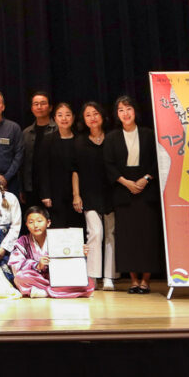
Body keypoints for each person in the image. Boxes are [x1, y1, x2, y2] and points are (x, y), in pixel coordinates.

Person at [104, 96, 163, 294]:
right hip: (123, 191)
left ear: (135, 111)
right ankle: (133, 280)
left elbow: (158, 159)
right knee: (127, 237)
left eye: (128, 108)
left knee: (148, 236)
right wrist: (125, 182)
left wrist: (146, 178)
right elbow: (108, 164)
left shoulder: (148, 134)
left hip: (147, 189)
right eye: (121, 110)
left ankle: (145, 280)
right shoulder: (112, 137)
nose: (125, 113)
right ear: (117, 114)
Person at [73, 101, 116, 290]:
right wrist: (76, 194)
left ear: (102, 116)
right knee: (95, 232)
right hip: (89, 193)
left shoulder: (112, 137)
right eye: (88, 115)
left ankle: (109, 277)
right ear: (83, 119)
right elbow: (75, 170)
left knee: (111, 234)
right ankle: (92, 276)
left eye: (95, 113)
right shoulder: (79, 141)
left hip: (112, 191)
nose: (92, 118)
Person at [9, 206, 94, 298]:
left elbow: (70, 263)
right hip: (36, 278)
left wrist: (80, 254)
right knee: (20, 277)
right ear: (26, 225)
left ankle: (44, 292)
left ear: (48, 223)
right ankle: (57, 292)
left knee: (88, 284)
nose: (35, 225)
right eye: (31, 222)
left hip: (59, 277)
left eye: (39, 221)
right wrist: (37, 265)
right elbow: (16, 265)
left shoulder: (59, 237)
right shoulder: (23, 241)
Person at [38, 102, 79, 229]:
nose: (64, 118)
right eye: (60, 115)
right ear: (55, 118)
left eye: (68, 115)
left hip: (77, 192)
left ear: (73, 117)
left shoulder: (79, 139)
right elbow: (43, 169)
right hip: (55, 192)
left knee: (76, 227)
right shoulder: (48, 139)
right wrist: (45, 194)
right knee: (58, 227)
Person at [20, 91, 56, 205]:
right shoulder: (26, 133)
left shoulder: (58, 130)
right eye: (36, 104)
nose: (39, 107)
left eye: (43, 103)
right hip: (31, 187)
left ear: (50, 107)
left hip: (54, 188)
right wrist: (22, 188)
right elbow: (22, 163)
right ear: (32, 108)